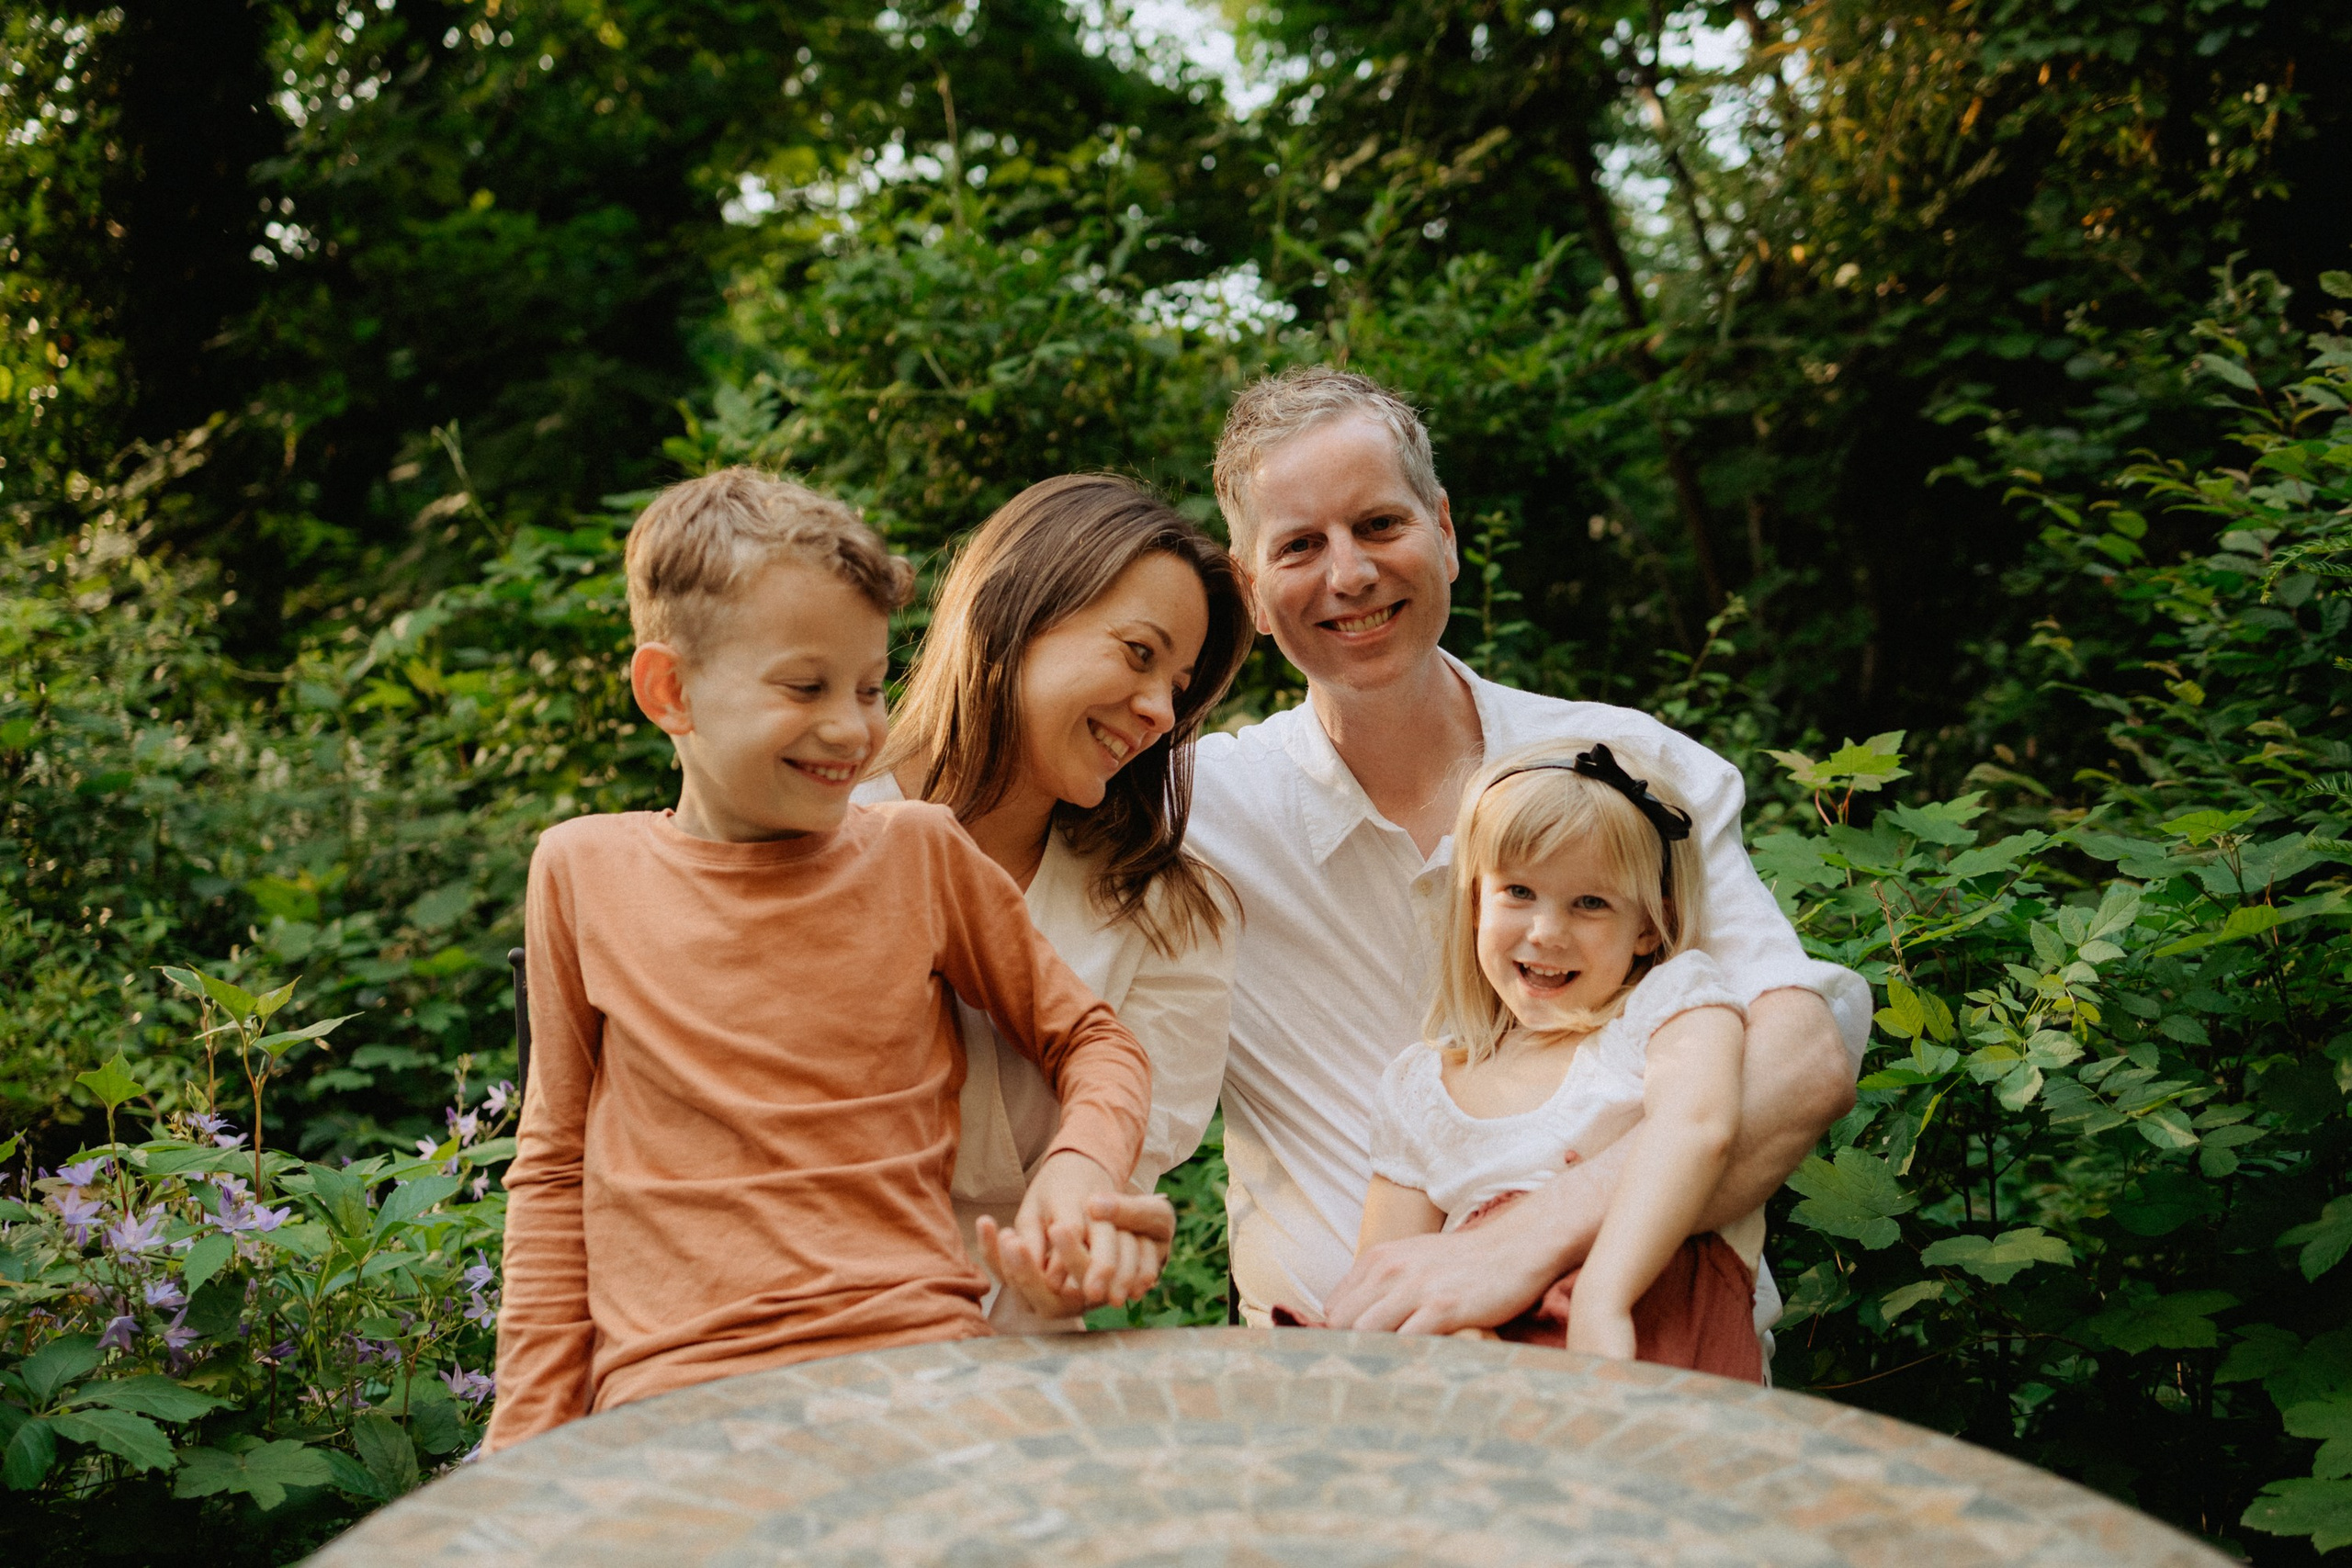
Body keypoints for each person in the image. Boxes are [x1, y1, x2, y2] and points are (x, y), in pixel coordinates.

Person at [489, 468, 1162, 1450]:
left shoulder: (919, 852)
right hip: (675, 1403)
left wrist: (1078, 1165)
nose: (852, 727)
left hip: (918, 1372)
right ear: (669, 690)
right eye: (805, 686)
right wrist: (519, 1452)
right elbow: (553, 1171)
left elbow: (1097, 1040)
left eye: (868, 685)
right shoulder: (581, 872)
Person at [1188, 367, 1871, 1336]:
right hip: (1343, 1398)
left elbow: (1801, 1064)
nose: (1348, 574)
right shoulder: (1196, 810)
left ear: (1446, 530)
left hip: (1641, 1375)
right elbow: (961, 782)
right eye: (1300, 545)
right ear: (1250, 590)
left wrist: (1511, 1247)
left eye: (1380, 525)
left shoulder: (1624, 771)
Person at [854, 473, 1253, 1327]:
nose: (1158, 712)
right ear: (1017, 607)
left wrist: (1077, 1249)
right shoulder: (815, 821)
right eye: (1139, 654)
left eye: (1178, 688)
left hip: (1020, 1348)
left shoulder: (1172, 916)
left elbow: (1104, 1185)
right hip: (799, 1327)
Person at [1339, 740, 1763, 1381]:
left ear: (1650, 925)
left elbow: (1698, 1127)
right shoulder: (1422, 1088)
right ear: (1476, 901)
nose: (1545, 931)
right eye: (1519, 891)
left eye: (1590, 902)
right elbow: (1385, 1280)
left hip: (1644, 1331)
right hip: (1477, 1368)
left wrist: (1603, 1294)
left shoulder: (1665, 1010)